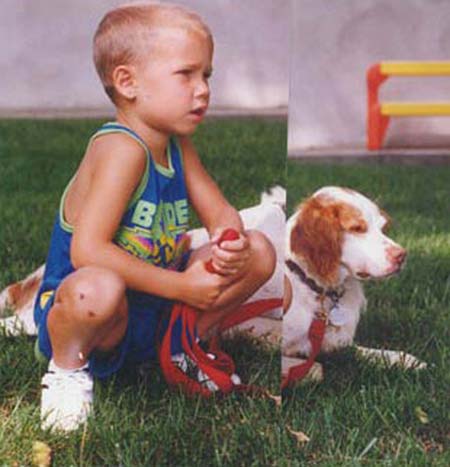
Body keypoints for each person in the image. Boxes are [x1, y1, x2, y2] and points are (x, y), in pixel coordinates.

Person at [34, 1, 276, 433]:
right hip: (101, 317)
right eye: (186, 74)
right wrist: (183, 285)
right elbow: (87, 250)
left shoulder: (178, 146)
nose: (202, 89)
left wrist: (230, 240)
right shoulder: (120, 149)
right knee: (97, 288)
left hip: (158, 309)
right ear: (127, 82)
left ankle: (180, 348)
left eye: (207, 75)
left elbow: (220, 213)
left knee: (260, 250)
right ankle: (67, 370)